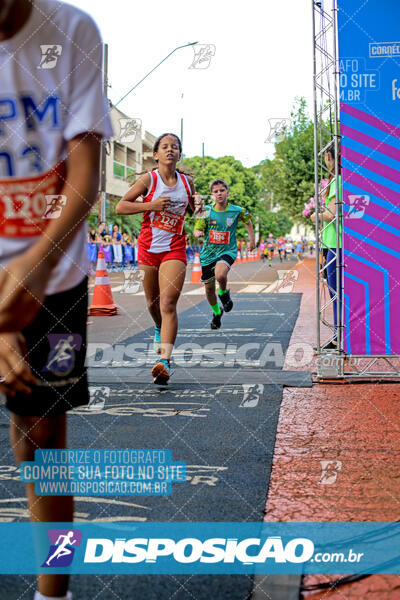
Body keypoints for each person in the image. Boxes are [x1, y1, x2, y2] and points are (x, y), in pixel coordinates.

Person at [0, 2, 113, 600]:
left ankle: (54, 593)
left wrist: (33, 271)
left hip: (58, 275)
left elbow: (85, 175)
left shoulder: (72, 32)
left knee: (41, 447)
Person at [116, 133, 197, 384]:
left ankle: (164, 361)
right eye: (165, 147)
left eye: (175, 147)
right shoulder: (148, 180)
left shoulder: (187, 183)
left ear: (179, 154)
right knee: (152, 302)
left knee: (168, 303)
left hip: (175, 247)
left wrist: (199, 209)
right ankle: (157, 327)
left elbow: (195, 211)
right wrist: (150, 206)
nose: (170, 150)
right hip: (148, 248)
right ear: (156, 154)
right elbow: (121, 206)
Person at [193, 178, 255, 329]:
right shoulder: (206, 211)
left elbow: (248, 221)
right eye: (215, 192)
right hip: (208, 254)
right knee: (208, 289)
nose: (219, 193)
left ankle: (223, 293)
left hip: (227, 250)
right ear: (212, 195)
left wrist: (252, 240)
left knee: (220, 275)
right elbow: (197, 228)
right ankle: (216, 312)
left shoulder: (237, 210)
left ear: (227, 192)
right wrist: (198, 232)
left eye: (222, 190)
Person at [311, 141, 342, 350]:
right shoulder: (341, 180)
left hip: (335, 243)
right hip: (336, 243)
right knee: (337, 291)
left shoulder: (337, 181)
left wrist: (315, 216)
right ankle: (338, 336)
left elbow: (332, 215)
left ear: (330, 157)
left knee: (336, 292)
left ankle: (339, 337)